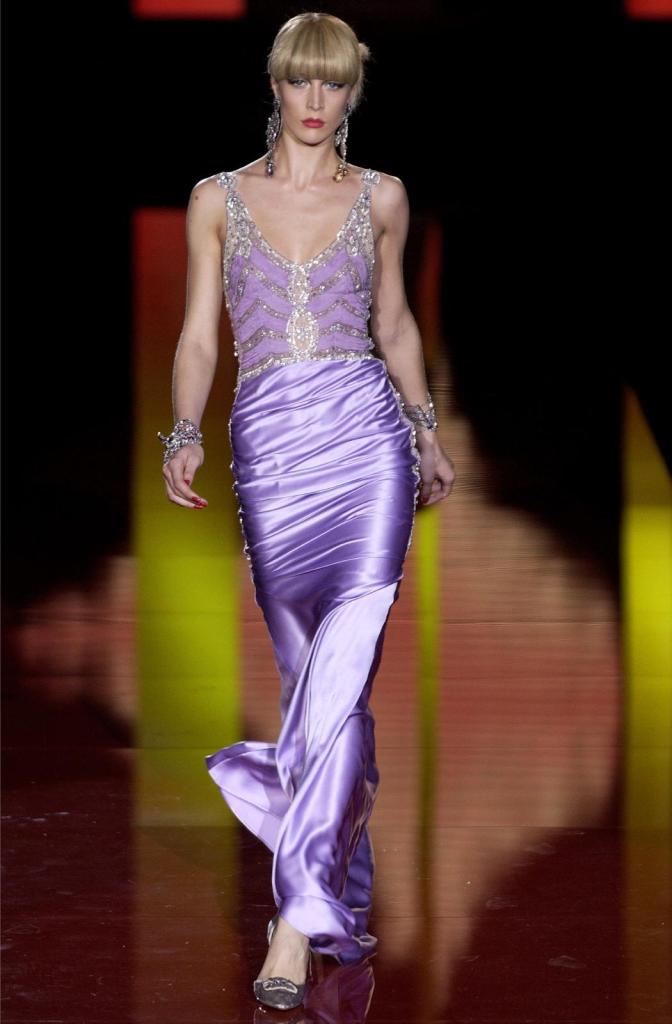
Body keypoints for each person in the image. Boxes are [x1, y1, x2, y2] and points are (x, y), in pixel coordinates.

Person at [157, 11, 455, 1011]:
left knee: (344, 670)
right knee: (309, 687)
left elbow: (395, 322)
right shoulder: (217, 198)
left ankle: (295, 922)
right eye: (300, 80)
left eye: (334, 83)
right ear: (276, 85)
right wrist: (184, 429)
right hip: (272, 450)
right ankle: (344, 892)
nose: (316, 101)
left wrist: (424, 429)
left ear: (353, 92)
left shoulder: (382, 196)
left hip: (366, 444)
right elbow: (200, 334)